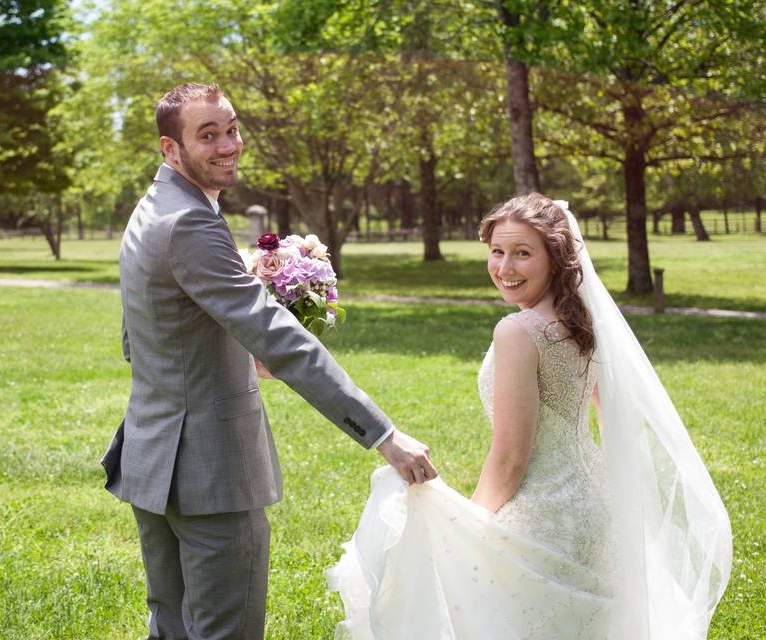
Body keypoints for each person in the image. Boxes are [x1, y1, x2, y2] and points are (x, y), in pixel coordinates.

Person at [99, 82, 437, 640]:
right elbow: (282, 339)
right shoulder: (190, 221)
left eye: (231, 128)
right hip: (209, 471)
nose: (228, 144)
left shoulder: (153, 209)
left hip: (153, 459)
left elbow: (143, 334)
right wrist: (383, 435)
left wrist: (227, 349)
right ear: (170, 148)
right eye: (207, 135)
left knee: (172, 626)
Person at [328, 193, 731, 639]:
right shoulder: (582, 320)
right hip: (593, 507)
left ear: (556, 259)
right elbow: (606, 414)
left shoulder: (518, 331)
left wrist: (470, 529)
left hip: (542, 516)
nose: (505, 268)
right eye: (497, 252)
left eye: (523, 253)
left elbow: (510, 458)